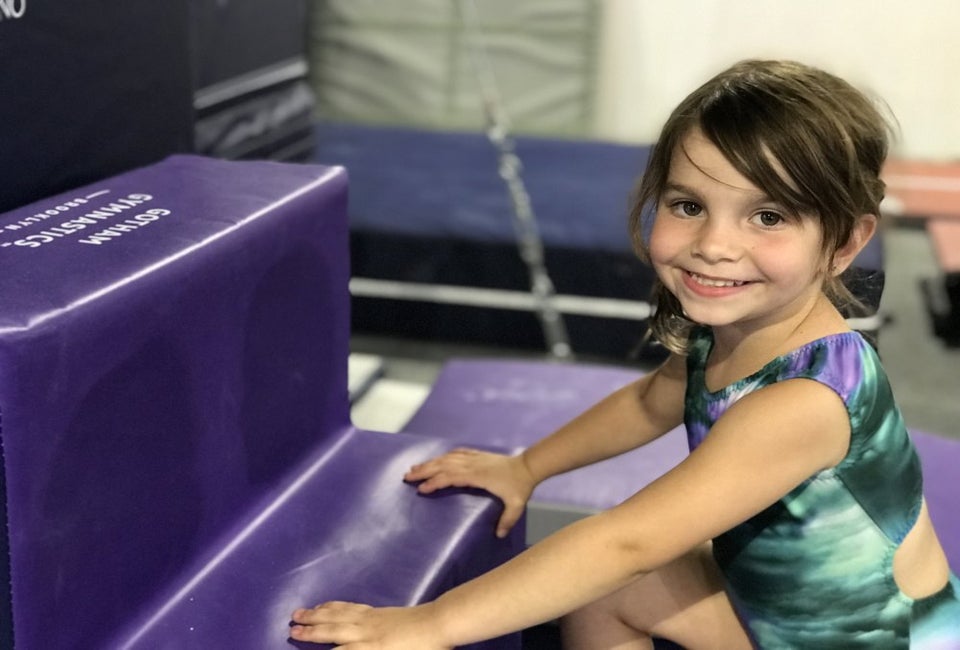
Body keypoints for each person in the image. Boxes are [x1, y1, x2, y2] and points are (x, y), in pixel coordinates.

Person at [290, 59, 960, 648]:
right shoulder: (734, 331)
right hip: (789, 605)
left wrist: (432, 625)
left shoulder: (804, 402)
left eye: (768, 217)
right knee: (610, 586)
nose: (714, 245)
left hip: (868, 639)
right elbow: (647, 403)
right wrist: (526, 468)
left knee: (615, 566)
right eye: (688, 205)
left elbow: (627, 542)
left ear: (845, 243)